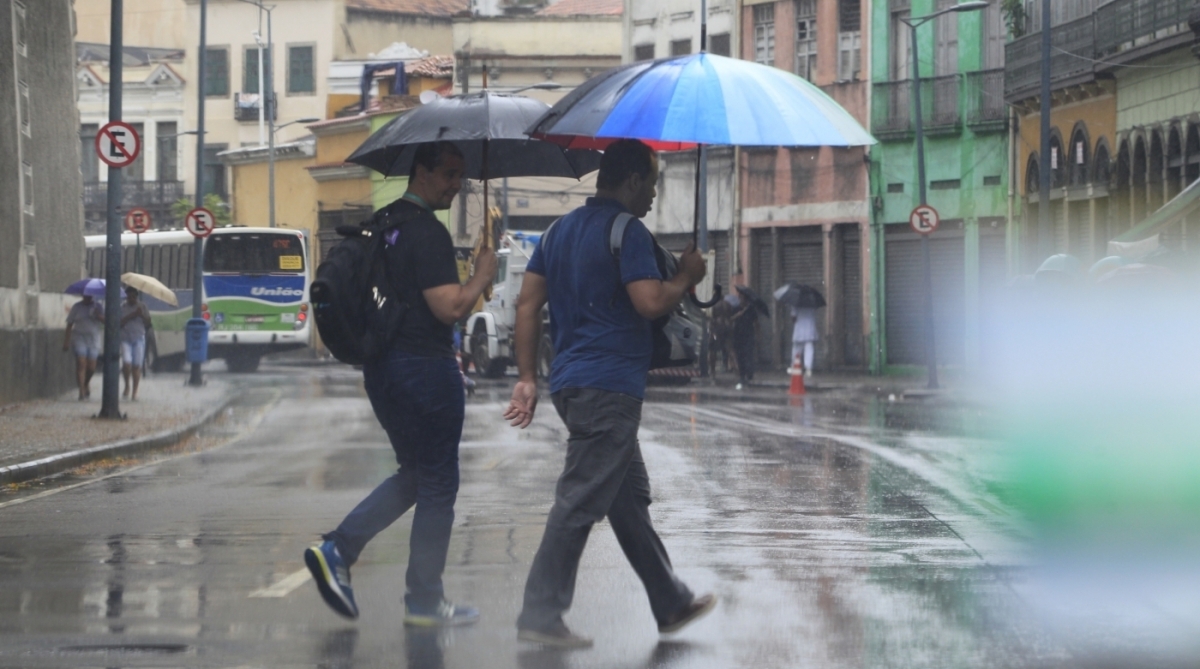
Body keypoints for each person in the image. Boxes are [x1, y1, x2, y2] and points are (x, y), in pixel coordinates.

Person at [504, 139, 716, 649]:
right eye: (652, 186)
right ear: (633, 181)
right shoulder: (629, 231)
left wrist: (528, 376)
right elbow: (648, 302)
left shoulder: (557, 231)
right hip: (609, 386)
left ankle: (669, 601)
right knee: (579, 500)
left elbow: (528, 306)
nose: (652, 198)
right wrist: (686, 278)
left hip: (572, 381)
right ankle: (540, 612)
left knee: (626, 500)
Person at [304, 141, 497, 626]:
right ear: (422, 172)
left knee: (416, 474)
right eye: (449, 174)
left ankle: (339, 550)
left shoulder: (383, 223)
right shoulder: (425, 231)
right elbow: (449, 307)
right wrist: (480, 276)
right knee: (438, 484)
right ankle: (425, 600)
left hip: (384, 370)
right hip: (425, 371)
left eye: (462, 176)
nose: (456, 185)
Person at [63, 294, 104, 400]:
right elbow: (69, 324)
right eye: (86, 295)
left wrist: (98, 315)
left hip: (93, 339)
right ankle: (81, 390)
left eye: (90, 295)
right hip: (79, 338)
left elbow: (106, 321)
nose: (88, 297)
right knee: (81, 363)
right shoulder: (77, 307)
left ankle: (86, 383)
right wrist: (66, 341)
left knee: (91, 367)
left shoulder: (98, 306)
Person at [120, 287, 152, 400]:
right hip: (125, 338)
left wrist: (141, 315)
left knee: (136, 366)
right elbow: (119, 323)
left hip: (139, 337)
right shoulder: (123, 307)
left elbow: (148, 323)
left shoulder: (142, 306)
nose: (131, 299)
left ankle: (134, 391)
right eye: (129, 297)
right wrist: (132, 315)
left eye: (133, 297)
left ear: (136, 296)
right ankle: (127, 385)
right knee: (126, 362)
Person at [730, 291, 760, 389]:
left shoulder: (751, 309)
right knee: (740, 357)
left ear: (746, 299)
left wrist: (758, 335)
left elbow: (756, 323)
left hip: (748, 335)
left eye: (742, 298)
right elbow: (730, 319)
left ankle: (749, 373)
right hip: (738, 335)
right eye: (739, 298)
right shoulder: (736, 309)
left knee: (748, 355)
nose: (741, 300)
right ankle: (742, 376)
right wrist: (738, 314)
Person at [789, 305, 818, 377]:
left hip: (799, 329)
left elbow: (793, 317)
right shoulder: (812, 303)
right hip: (809, 328)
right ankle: (808, 369)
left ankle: (794, 366)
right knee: (809, 349)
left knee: (796, 350)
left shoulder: (795, 304)